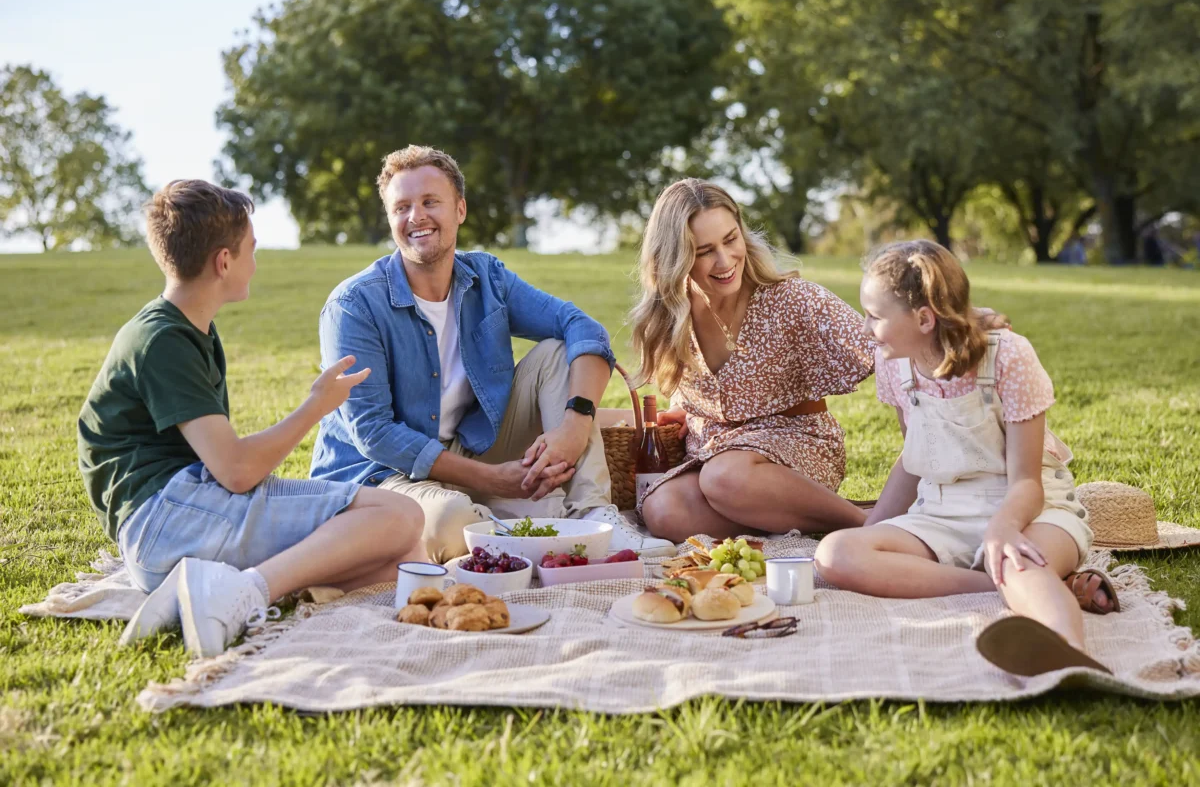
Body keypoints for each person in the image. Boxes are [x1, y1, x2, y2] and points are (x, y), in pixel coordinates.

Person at [77, 180, 426, 658]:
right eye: (252, 250)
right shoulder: (163, 340)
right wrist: (315, 406)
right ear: (224, 261)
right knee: (401, 514)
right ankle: (243, 594)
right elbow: (237, 471)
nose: (255, 262)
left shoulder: (188, 328)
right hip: (164, 522)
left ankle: (197, 591)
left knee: (403, 560)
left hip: (183, 513)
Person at [312, 145, 673, 561]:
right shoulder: (353, 306)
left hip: (472, 448)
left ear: (460, 209)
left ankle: (594, 520)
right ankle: (515, 523)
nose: (417, 217)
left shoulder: (486, 277)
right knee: (452, 518)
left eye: (431, 202)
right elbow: (374, 433)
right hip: (383, 477)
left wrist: (575, 424)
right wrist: (492, 479)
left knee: (557, 352)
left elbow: (583, 328)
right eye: (402, 207)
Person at [814, 239, 1116, 677]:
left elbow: (1028, 483)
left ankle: (1069, 656)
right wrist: (871, 531)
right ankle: (1017, 586)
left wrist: (1003, 529)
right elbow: (915, 457)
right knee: (835, 554)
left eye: (875, 316)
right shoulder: (895, 365)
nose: (865, 328)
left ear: (923, 318)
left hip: (1030, 508)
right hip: (942, 512)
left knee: (1016, 563)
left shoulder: (1009, 356)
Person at [629, 179, 876, 542]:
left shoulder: (792, 298)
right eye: (703, 251)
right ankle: (802, 522)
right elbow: (698, 386)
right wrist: (687, 409)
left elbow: (881, 345)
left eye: (731, 239)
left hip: (791, 447)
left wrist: (958, 327)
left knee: (724, 477)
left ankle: (867, 525)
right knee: (661, 511)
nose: (725, 261)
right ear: (674, 258)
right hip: (715, 454)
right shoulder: (671, 314)